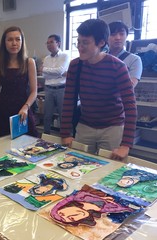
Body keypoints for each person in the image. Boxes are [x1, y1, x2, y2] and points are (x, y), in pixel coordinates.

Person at [60, 19, 137, 161]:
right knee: (75, 166)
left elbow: (130, 107)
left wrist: (125, 145)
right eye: (79, 42)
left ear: (101, 42)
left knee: (108, 171)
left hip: (112, 127)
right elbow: (69, 100)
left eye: (85, 43)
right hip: (85, 125)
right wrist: (65, 133)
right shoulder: (75, 65)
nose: (80, 47)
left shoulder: (118, 67)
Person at [0, 26, 38, 137]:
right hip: (4, 110)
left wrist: (26, 107)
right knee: (5, 146)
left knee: (29, 146)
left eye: (17, 39)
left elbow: (34, 91)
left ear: (22, 41)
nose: (14, 43)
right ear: (4, 43)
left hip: (22, 110)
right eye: (10, 40)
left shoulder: (29, 62)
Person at [42, 34, 70, 134]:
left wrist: (47, 70)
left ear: (58, 43)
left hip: (61, 89)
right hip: (49, 88)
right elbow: (44, 75)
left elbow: (60, 71)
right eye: (47, 43)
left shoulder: (65, 55)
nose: (48, 45)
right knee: (47, 115)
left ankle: (64, 137)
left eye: (51, 42)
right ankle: (45, 136)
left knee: (63, 115)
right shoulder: (46, 58)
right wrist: (58, 73)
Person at [108, 21, 143, 87]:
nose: (118, 38)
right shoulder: (100, 58)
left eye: (121, 34)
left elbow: (130, 86)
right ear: (106, 37)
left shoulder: (134, 60)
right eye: (113, 34)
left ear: (126, 36)